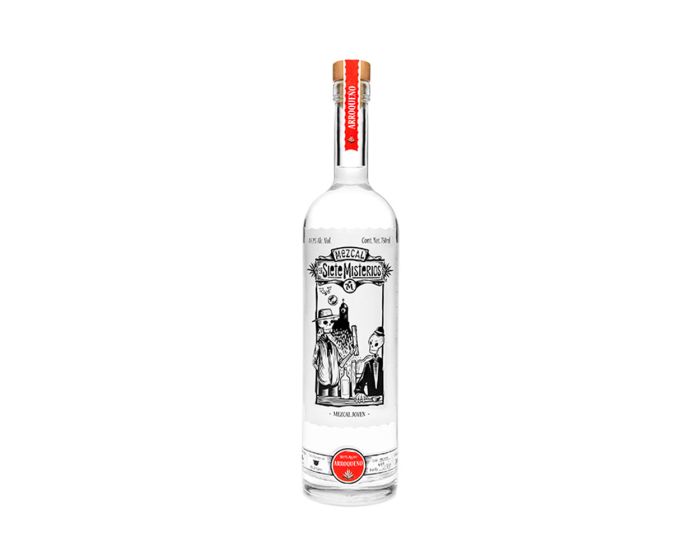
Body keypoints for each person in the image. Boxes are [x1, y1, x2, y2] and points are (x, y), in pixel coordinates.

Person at [313, 309, 341, 397]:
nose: (329, 325)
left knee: (335, 399)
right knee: (323, 399)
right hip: (324, 379)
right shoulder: (319, 343)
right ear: (320, 324)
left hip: (335, 379)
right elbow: (314, 360)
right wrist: (320, 369)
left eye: (331, 322)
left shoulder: (334, 343)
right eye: (325, 322)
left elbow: (340, 359)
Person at [354, 327, 385, 402]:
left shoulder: (386, 363)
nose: (371, 346)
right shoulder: (368, 364)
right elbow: (360, 384)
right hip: (372, 400)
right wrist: (360, 392)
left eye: (376, 344)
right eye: (370, 343)